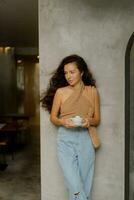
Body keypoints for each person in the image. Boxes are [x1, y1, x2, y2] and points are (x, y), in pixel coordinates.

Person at [41, 54, 100, 200]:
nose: (68, 76)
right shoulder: (60, 92)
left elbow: (97, 120)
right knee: (74, 183)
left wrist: (88, 122)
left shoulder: (92, 92)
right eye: (66, 73)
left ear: (82, 72)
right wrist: (63, 122)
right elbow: (53, 118)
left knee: (84, 182)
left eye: (72, 72)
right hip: (65, 138)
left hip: (85, 139)